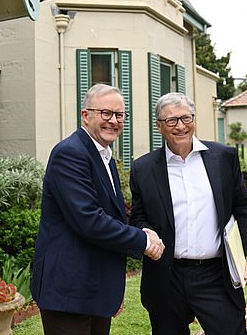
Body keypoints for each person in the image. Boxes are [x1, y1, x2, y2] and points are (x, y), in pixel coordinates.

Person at [30, 83, 164, 335]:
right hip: (68, 293)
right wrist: (144, 241)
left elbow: (112, 217)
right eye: (105, 113)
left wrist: (111, 291)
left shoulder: (103, 155)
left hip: (94, 290)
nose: (113, 121)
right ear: (86, 115)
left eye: (119, 115)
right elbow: (89, 221)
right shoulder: (70, 153)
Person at [129, 92, 247, 335]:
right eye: (171, 121)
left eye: (185, 118)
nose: (180, 126)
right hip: (166, 276)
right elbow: (138, 217)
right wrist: (145, 233)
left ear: (194, 119)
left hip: (215, 275)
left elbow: (242, 207)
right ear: (159, 126)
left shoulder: (223, 157)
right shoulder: (143, 168)